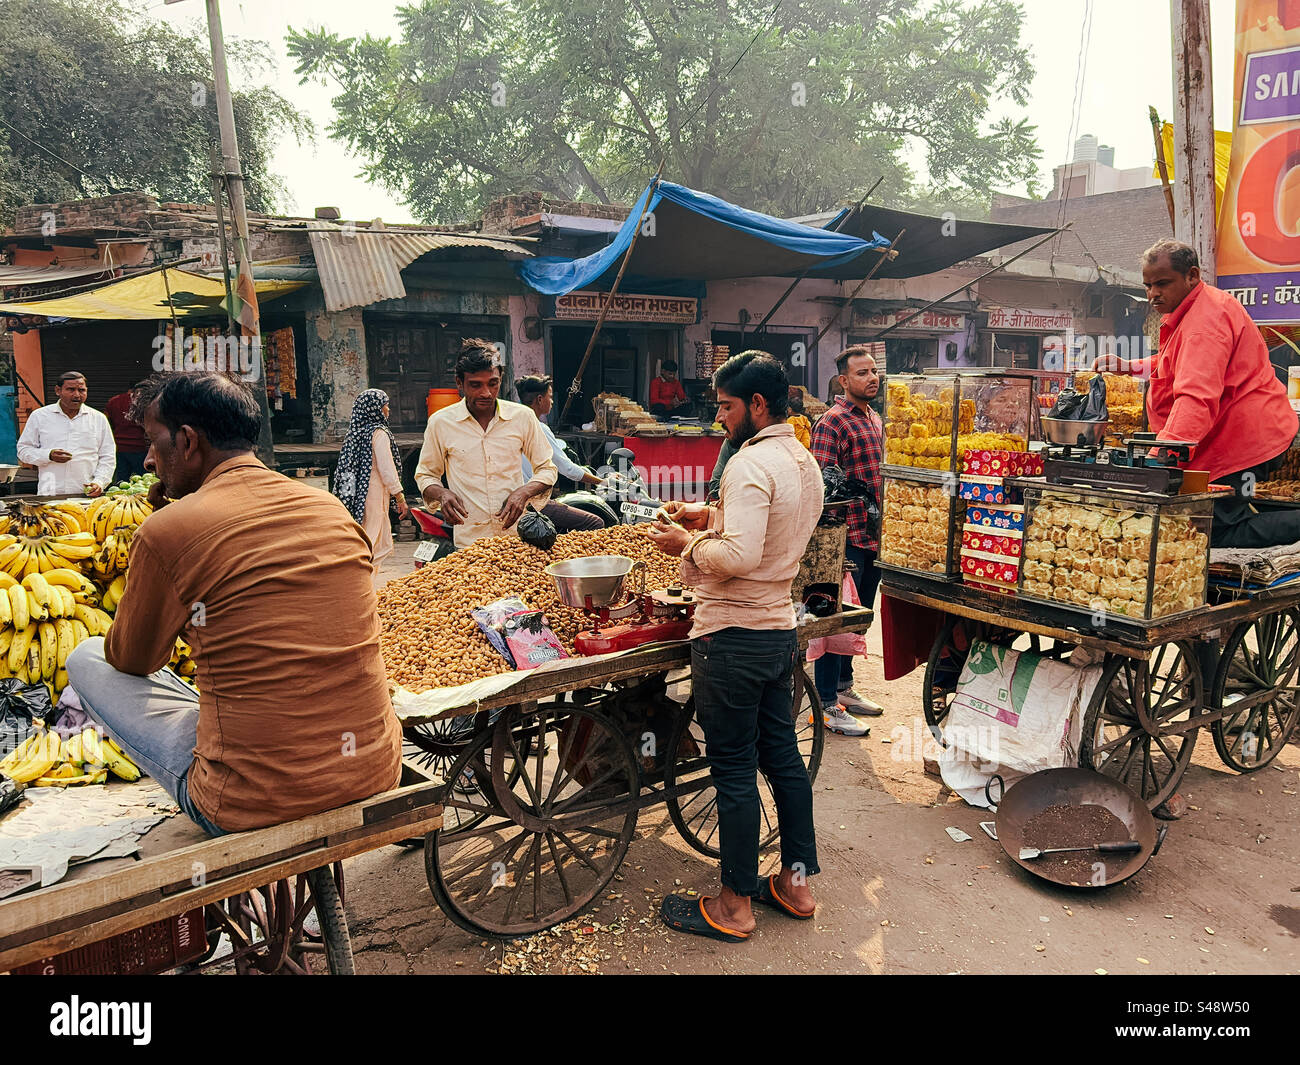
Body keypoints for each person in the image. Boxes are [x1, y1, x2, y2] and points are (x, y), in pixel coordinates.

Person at [65, 372, 402, 835]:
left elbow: (132, 660)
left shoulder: (167, 531)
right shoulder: (329, 509)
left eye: (151, 441)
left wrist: (169, 537)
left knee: (85, 655)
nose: (146, 461)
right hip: (374, 767)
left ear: (186, 441)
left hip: (248, 800)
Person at [647, 351, 823, 943]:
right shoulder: (801, 459)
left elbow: (740, 555)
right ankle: (795, 885)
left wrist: (686, 546)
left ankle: (734, 905)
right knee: (783, 759)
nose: (720, 419)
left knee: (733, 770)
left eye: (725, 407)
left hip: (732, 638)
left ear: (757, 405)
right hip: (778, 633)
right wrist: (707, 514)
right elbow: (767, 528)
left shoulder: (749, 464)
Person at [1095, 239, 1300, 548]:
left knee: (1219, 529)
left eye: (1162, 283)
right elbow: (1177, 363)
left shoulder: (1204, 323)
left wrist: (1160, 460)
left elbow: (1195, 398)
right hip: (1234, 434)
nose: (1153, 294)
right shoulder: (1197, 308)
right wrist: (1130, 366)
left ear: (1192, 275)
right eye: (1148, 285)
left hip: (1243, 439)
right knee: (1216, 519)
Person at [809, 345, 886, 734]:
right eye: (861, 373)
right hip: (845, 539)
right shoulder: (832, 422)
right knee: (833, 622)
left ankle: (843, 688)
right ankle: (824, 703)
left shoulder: (874, 417)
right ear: (844, 380)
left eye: (873, 371)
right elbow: (822, 488)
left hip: (873, 537)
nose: (871, 378)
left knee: (858, 620)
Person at [415, 339, 558, 548]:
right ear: (459, 383)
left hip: (515, 537)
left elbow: (547, 469)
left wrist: (523, 493)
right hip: (469, 540)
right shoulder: (441, 422)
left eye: (493, 383)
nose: (486, 393)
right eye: (475, 385)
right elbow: (426, 474)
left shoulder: (523, 417)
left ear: (500, 379)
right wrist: (442, 494)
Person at [333, 388, 410, 579]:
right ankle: (364, 583)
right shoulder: (379, 433)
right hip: (374, 495)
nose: (388, 409)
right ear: (375, 408)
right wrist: (399, 496)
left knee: (362, 537)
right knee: (372, 539)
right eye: (385, 405)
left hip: (357, 496)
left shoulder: (355, 433)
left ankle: (363, 580)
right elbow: (387, 469)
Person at [514, 375, 606, 532]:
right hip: (533, 502)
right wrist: (603, 482)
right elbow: (568, 469)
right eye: (550, 397)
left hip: (514, 497)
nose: (552, 401)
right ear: (539, 399)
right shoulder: (539, 428)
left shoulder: (511, 426)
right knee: (595, 523)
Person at [17, 371, 115, 497]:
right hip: (50, 492)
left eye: (81, 390)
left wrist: (99, 482)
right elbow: (23, 450)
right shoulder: (40, 416)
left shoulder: (98, 418)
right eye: (71, 389)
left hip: (86, 493)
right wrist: (48, 455)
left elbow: (108, 456)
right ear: (58, 390)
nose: (77, 395)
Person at [105, 381, 149, 483]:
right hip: (139, 447)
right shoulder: (143, 402)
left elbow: (107, 421)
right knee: (143, 480)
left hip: (119, 447)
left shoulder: (113, 401)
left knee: (121, 479)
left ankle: (118, 498)